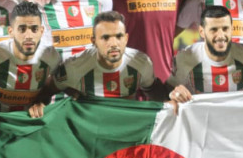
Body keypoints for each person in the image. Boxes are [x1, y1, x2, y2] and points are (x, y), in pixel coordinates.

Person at [29, 10, 166, 118]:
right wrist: (38, 103)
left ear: (126, 38)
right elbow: (48, 89)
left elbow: (152, 88)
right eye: (105, 38)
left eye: (119, 36)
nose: (113, 44)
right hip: (90, 135)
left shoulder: (141, 62)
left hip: (125, 132)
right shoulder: (75, 67)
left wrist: (170, 100)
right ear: (93, 41)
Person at [168, 5, 243, 103]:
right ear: (202, 32)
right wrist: (174, 94)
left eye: (225, 29)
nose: (221, 35)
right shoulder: (186, 58)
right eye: (214, 30)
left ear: (232, 29)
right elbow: (170, 91)